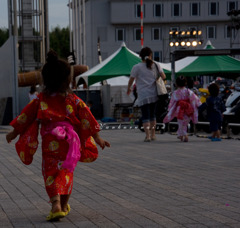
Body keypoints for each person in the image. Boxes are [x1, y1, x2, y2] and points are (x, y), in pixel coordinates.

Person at [6, 50, 110, 221]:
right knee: (66, 171)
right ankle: (63, 204)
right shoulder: (72, 99)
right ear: (67, 79)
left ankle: (55, 203)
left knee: (51, 172)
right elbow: (86, 116)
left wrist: (14, 132)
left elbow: (26, 116)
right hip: (69, 144)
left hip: (49, 142)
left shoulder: (40, 99)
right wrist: (97, 138)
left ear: (45, 80)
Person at [127, 47, 166, 142]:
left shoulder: (136, 67)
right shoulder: (156, 64)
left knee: (145, 115)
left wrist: (129, 88)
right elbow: (164, 76)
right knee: (153, 115)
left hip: (143, 95)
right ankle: (153, 135)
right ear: (150, 55)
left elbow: (131, 80)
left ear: (140, 56)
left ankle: (147, 136)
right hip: (154, 94)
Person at [163, 75, 201, 142]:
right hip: (187, 109)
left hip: (179, 109)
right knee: (185, 123)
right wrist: (198, 104)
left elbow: (172, 102)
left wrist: (170, 109)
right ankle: (181, 135)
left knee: (180, 123)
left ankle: (184, 135)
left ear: (177, 84)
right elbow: (195, 99)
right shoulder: (188, 91)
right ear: (185, 83)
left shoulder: (175, 93)